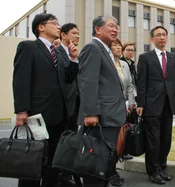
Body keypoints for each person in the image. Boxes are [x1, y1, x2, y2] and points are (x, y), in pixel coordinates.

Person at [13, 13, 79, 187]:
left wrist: (73, 58)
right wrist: (21, 110)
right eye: (54, 23)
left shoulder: (57, 52)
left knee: (53, 163)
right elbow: (21, 80)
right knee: (32, 162)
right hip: (37, 115)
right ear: (41, 27)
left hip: (59, 116)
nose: (59, 26)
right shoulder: (28, 47)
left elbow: (67, 79)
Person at [77, 15, 126, 187]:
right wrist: (90, 112)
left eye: (116, 27)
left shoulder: (105, 50)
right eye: (111, 26)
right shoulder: (92, 48)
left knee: (105, 161)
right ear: (98, 29)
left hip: (110, 116)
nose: (115, 29)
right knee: (95, 162)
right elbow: (88, 82)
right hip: (100, 118)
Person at [136, 26, 175, 185]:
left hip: (168, 104)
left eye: (164, 35)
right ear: (152, 39)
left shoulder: (173, 57)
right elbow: (141, 82)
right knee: (153, 140)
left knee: (166, 139)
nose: (162, 37)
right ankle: (152, 171)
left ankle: (161, 168)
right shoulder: (145, 58)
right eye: (158, 35)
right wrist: (141, 103)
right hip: (151, 105)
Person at [109, 38, 136, 187]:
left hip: (124, 107)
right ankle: (110, 172)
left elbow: (130, 85)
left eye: (119, 45)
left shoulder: (125, 64)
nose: (118, 47)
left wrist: (131, 102)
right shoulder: (106, 63)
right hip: (111, 108)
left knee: (120, 140)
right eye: (115, 45)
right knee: (111, 141)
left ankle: (113, 170)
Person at [57, 23, 82, 187]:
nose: (77, 36)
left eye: (79, 33)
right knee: (59, 142)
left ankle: (66, 174)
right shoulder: (57, 52)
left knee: (71, 141)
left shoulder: (75, 54)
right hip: (61, 106)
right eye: (74, 33)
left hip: (76, 105)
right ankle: (59, 175)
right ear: (63, 35)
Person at [120, 42, 137, 160]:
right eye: (128, 50)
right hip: (123, 99)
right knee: (123, 127)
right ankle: (122, 150)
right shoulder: (121, 63)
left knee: (131, 126)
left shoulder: (132, 64)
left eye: (132, 50)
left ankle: (128, 149)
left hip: (132, 98)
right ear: (123, 51)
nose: (130, 52)